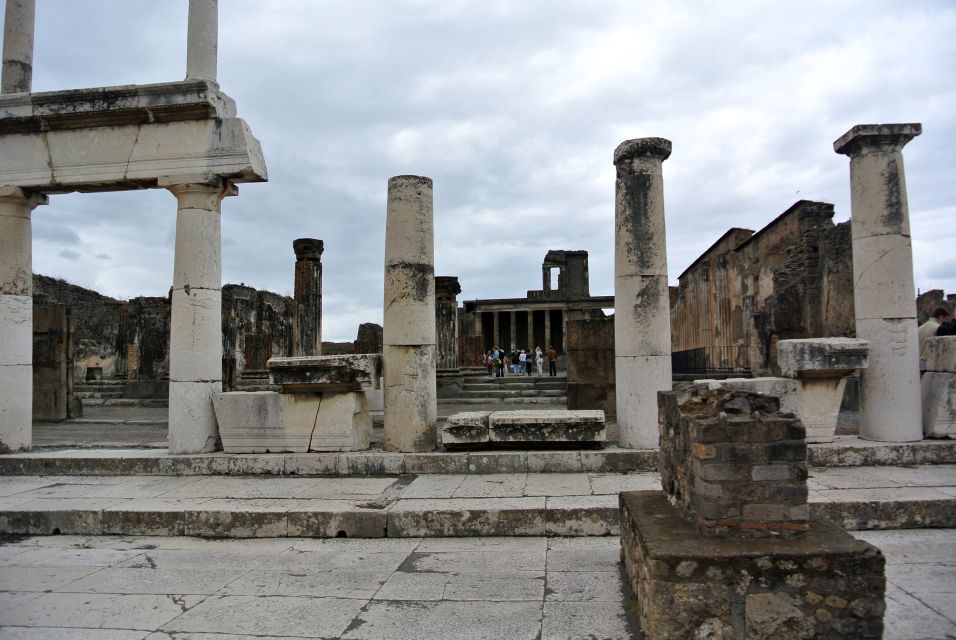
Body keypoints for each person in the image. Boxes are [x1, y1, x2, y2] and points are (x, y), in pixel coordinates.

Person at [919, 308, 951, 372]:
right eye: (945, 318)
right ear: (941, 316)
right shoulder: (938, 328)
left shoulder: (920, 328)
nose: (945, 321)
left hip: (919, 363)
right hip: (930, 363)